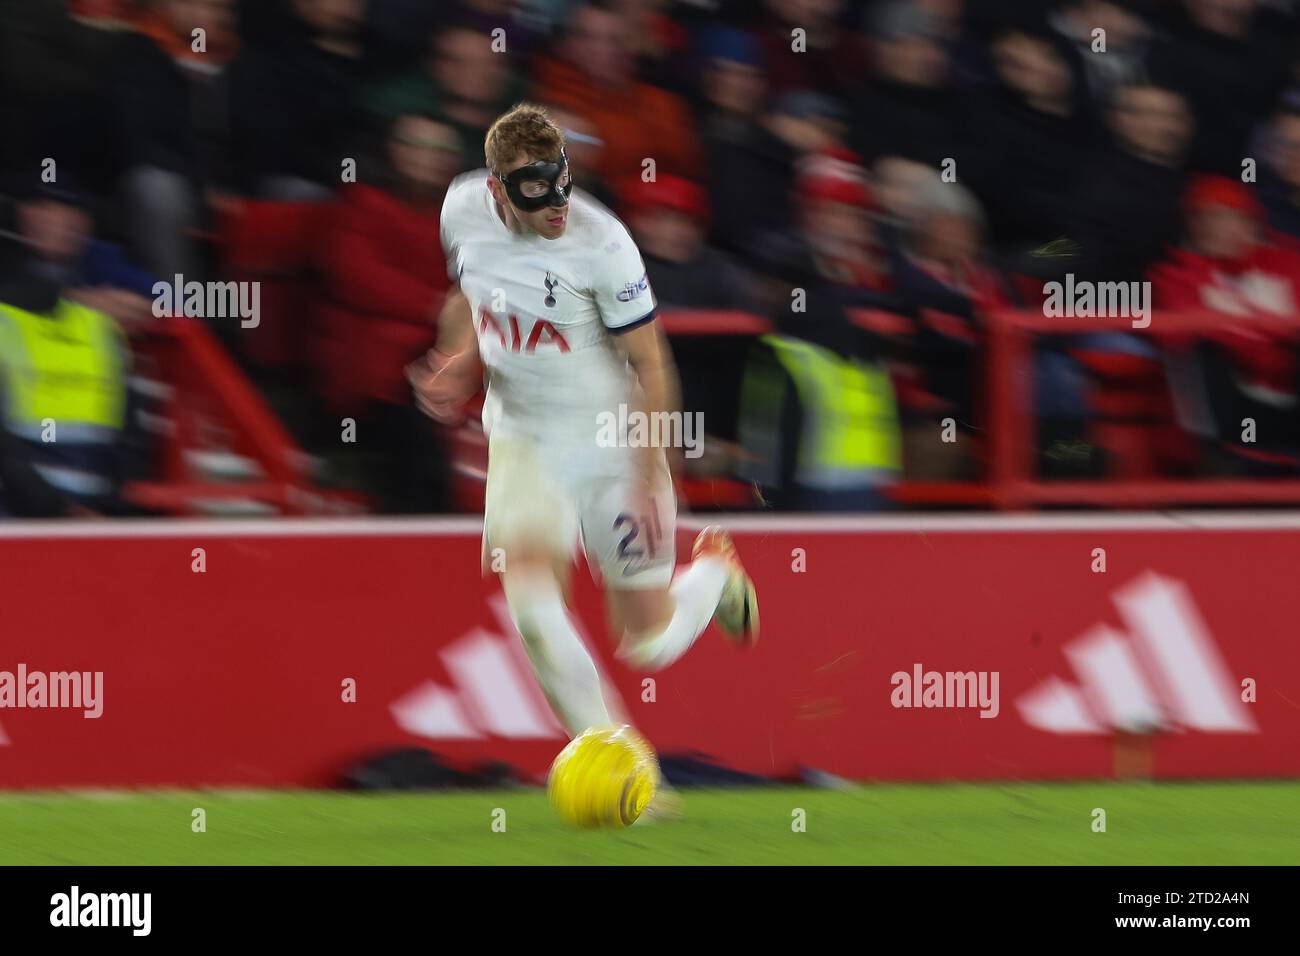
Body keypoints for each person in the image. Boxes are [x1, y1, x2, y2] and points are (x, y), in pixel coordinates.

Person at [407, 105, 759, 790]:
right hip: (524, 436)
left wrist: (648, 462)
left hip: (609, 440)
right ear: (497, 191)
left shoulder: (603, 243)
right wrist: (454, 355)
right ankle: (626, 771)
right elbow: (468, 295)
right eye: (537, 197)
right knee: (533, 609)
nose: (558, 210)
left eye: (562, 187)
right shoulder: (460, 209)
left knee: (648, 643)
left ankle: (712, 571)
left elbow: (653, 362)